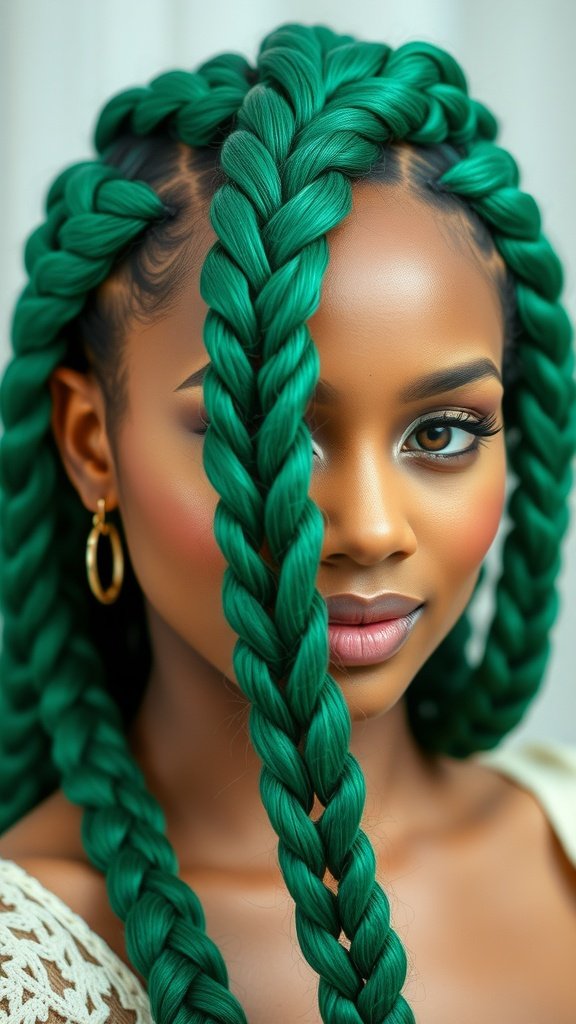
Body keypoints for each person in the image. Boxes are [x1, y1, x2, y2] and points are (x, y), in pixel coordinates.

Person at [0, 20, 575, 1024]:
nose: (370, 528)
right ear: (92, 444)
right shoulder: (28, 967)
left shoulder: (558, 826)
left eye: (442, 432)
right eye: (268, 434)